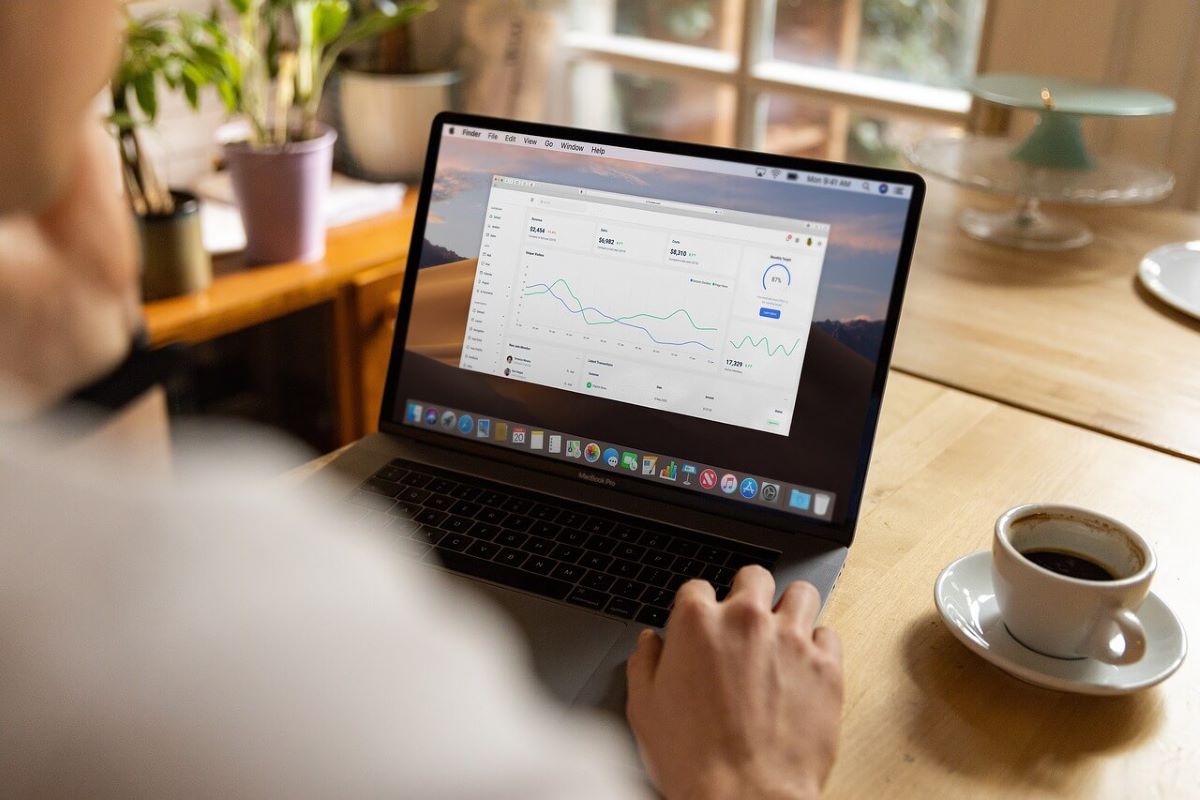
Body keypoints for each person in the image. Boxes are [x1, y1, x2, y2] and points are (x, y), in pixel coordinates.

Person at [0, 4, 844, 798]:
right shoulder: (221, 622)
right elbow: (132, 586)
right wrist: (753, 774)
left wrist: (95, 369)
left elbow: (114, 546)